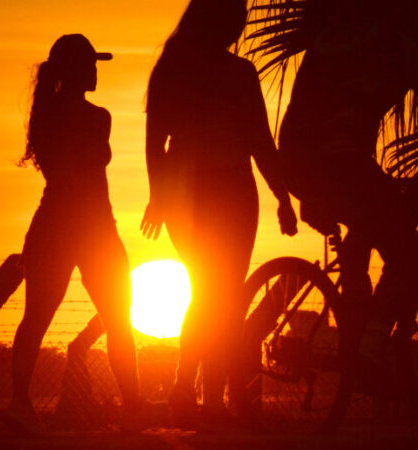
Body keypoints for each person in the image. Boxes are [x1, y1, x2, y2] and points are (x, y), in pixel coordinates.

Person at [142, 0, 297, 426]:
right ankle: (199, 396)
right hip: (221, 191)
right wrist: (280, 194)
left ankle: (195, 394)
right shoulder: (232, 73)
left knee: (212, 295)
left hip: (198, 192)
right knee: (217, 296)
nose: (241, 23)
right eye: (236, 15)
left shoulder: (175, 69)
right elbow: (259, 140)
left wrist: (160, 195)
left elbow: (157, 143)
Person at [10, 34, 140, 433]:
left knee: (106, 317)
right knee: (59, 317)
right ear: (75, 70)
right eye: (90, 65)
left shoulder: (58, 116)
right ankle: (21, 404)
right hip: (87, 226)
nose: (96, 71)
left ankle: (133, 406)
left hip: (75, 225)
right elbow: (82, 166)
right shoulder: (92, 118)